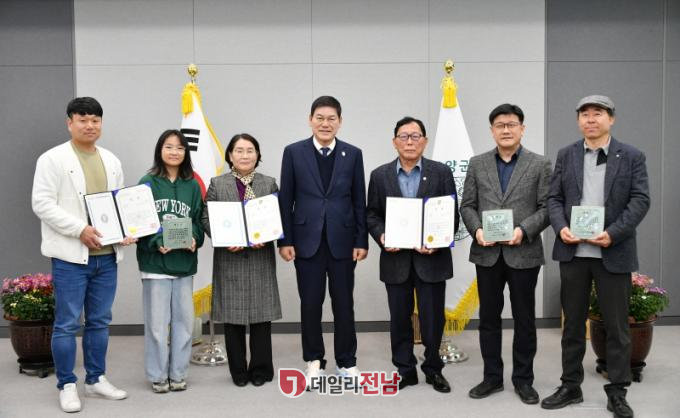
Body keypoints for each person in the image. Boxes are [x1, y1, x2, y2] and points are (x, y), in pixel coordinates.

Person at [542, 95, 650, 418]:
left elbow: (640, 200)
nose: (591, 119)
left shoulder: (631, 156)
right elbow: (553, 198)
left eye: (598, 113)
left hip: (613, 251)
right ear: (578, 121)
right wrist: (561, 227)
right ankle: (570, 385)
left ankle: (617, 392)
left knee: (617, 328)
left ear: (611, 119)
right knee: (572, 326)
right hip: (574, 252)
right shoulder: (567, 154)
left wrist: (613, 233)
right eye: (585, 114)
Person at [31, 97, 135, 413]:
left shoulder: (111, 160)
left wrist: (125, 229)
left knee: (100, 321)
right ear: (70, 123)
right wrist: (80, 229)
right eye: (83, 120)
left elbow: (117, 204)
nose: (90, 125)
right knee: (66, 323)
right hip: (70, 258)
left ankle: (95, 379)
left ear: (101, 123)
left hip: (107, 256)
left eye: (95, 120)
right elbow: (42, 204)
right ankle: (66, 384)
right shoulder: (52, 159)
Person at [460, 104, 552, 404]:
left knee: (525, 318)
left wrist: (524, 230)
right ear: (492, 130)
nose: (506, 130)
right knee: (488, 318)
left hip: (523, 252)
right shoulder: (477, 163)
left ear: (522, 129)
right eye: (500, 125)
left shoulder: (540, 164)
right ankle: (492, 377)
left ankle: (524, 380)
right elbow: (467, 205)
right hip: (487, 253)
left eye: (512, 124)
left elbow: (547, 207)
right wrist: (477, 230)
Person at [278, 96, 368, 382]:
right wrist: (284, 240)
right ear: (310, 120)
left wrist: (361, 240)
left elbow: (359, 200)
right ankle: (314, 360)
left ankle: (346, 361)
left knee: (344, 304)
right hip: (306, 241)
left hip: (343, 242)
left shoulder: (353, 154)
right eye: (320, 118)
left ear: (340, 122)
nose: (325, 123)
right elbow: (285, 200)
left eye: (331, 118)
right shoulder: (293, 152)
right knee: (310, 304)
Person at [366, 116, 458, 393]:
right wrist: (382, 236)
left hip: (432, 260)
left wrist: (438, 242)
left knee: (433, 320)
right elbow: (371, 214)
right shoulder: (379, 175)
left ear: (425, 141)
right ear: (394, 141)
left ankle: (433, 369)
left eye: (415, 136)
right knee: (399, 319)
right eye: (404, 136)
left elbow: (451, 215)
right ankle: (405, 370)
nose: (409, 141)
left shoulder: (441, 172)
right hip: (396, 260)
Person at [202, 133, 282, 387]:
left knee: (261, 317)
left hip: (260, 257)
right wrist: (223, 238)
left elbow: (278, 216)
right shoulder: (218, 184)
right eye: (239, 150)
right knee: (232, 317)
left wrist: (268, 237)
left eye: (250, 150)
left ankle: (261, 370)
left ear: (258, 155)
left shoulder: (269, 183)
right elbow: (206, 216)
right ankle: (238, 371)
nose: (244, 155)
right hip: (230, 257)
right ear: (230, 155)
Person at [135, 129, 204, 393]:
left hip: (184, 264)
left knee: (184, 323)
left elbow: (198, 221)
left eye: (180, 147)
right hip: (155, 265)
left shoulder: (192, 185)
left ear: (186, 152)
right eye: (169, 146)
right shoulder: (147, 182)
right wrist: (156, 242)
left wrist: (194, 238)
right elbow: (138, 221)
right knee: (156, 325)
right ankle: (157, 375)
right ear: (159, 150)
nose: (174, 152)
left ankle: (178, 373)